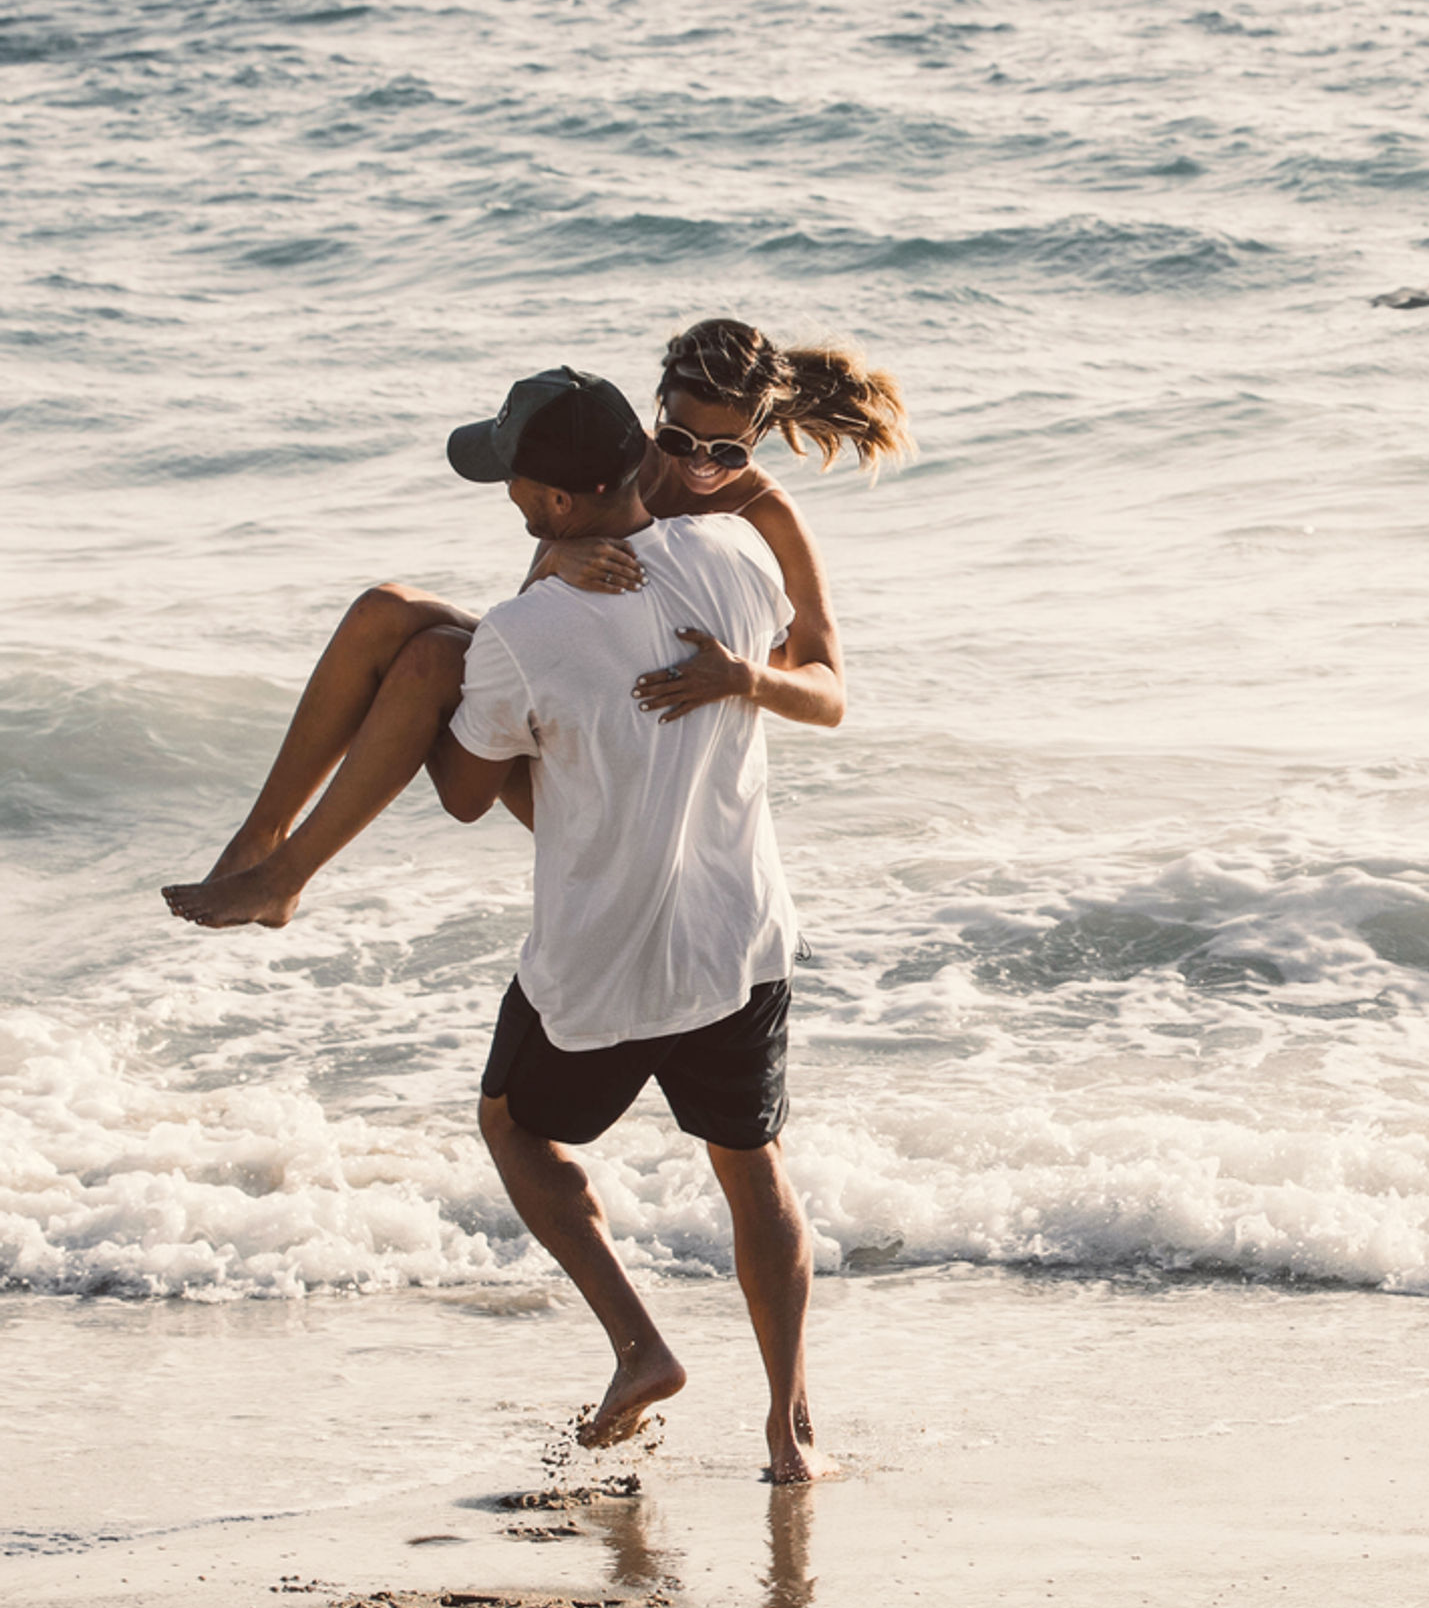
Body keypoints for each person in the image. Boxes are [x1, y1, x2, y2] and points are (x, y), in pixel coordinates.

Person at [398, 362, 829, 1480]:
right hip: (735, 944)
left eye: (514, 483)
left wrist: (430, 679)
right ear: (641, 458)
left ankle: (640, 1347)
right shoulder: (736, 562)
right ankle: (787, 1429)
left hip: (599, 964)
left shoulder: (520, 631)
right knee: (755, 1169)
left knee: (511, 1125)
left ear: (545, 503)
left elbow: (460, 790)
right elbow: (792, 671)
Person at [161, 320, 909, 930]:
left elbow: (830, 694)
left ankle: (286, 875)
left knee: (429, 659)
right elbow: (534, 614)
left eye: (727, 452)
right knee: (381, 611)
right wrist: (557, 560)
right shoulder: (623, 467)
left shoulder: (768, 518)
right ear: (658, 412)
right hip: (574, 707)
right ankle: (261, 844)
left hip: (642, 768)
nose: (696, 470)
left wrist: (746, 678)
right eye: (679, 441)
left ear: (762, 434)